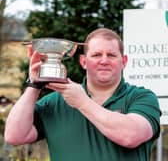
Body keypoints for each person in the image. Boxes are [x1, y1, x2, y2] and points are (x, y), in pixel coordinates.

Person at [4, 28, 161, 161]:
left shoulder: (141, 97)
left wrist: (82, 102)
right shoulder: (54, 102)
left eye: (111, 55)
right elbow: (14, 136)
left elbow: (130, 136)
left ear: (124, 61)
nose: (104, 60)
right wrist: (34, 85)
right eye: (96, 55)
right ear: (83, 61)